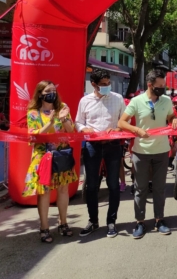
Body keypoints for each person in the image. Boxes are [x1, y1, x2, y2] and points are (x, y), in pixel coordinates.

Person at [118, 69, 177, 239]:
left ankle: (159, 220)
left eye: (164, 85)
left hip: (161, 152)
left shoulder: (166, 101)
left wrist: (174, 119)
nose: (163, 88)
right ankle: (140, 222)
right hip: (141, 152)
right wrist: (136, 129)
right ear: (150, 85)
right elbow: (122, 122)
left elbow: (170, 117)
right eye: (160, 86)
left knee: (160, 189)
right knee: (140, 189)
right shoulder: (136, 101)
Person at [23, 80, 77, 243]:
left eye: (54, 90)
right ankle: (44, 227)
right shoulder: (33, 113)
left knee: (62, 190)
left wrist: (64, 119)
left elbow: (71, 131)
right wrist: (51, 121)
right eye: (48, 91)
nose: (52, 94)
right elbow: (35, 136)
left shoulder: (62, 108)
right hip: (43, 157)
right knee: (44, 192)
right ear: (40, 94)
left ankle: (63, 223)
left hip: (62, 155)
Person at [75, 69, 126, 238]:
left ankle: (111, 221)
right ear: (93, 84)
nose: (107, 86)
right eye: (103, 84)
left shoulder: (117, 99)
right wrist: (85, 128)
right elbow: (78, 122)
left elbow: (124, 122)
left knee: (113, 185)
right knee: (91, 186)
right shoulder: (85, 101)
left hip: (113, 146)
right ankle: (93, 221)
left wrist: (117, 128)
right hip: (92, 146)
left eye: (108, 83)